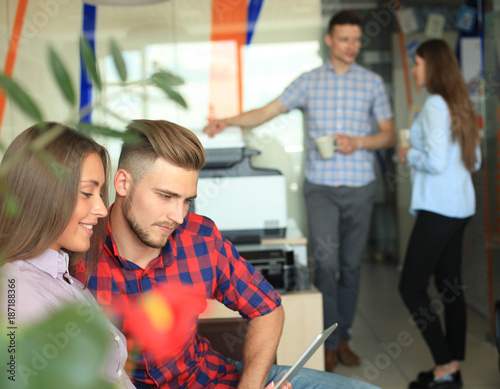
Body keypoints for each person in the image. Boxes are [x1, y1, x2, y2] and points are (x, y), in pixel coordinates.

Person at [74, 119, 380, 389]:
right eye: (166, 196)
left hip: (209, 378)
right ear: (123, 183)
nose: (178, 216)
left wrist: (250, 387)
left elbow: (268, 309)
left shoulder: (199, 238)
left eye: (187, 200)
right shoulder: (77, 252)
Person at [203, 10, 396, 371]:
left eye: (356, 39)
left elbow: (388, 134)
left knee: (351, 267)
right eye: (344, 39)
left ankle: (345, 338)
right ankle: (329, 340)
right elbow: (268, 111)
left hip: (360, 186)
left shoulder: (371, 83)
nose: (352, 45)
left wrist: (359, 142)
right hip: (320, 188)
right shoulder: (309, 81)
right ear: (329, 41)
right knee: (325, 264)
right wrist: (227, 120)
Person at [0, 122, 134, 389]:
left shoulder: (59, 276)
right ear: (43, 192)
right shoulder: (19, 293)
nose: (101, 209)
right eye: (87, 193)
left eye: (99, 193)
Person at [397, 39, 481, 389]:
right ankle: (452, 369)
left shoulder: (434, 104)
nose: (414, 69)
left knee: (411, 286)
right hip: (461, 207)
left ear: (430, 66)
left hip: (438, 210)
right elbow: (474, 161)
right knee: (450, 286)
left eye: (417, 63)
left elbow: (433, 160)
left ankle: (445, 365)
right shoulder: (460, 103)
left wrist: (407, 153)